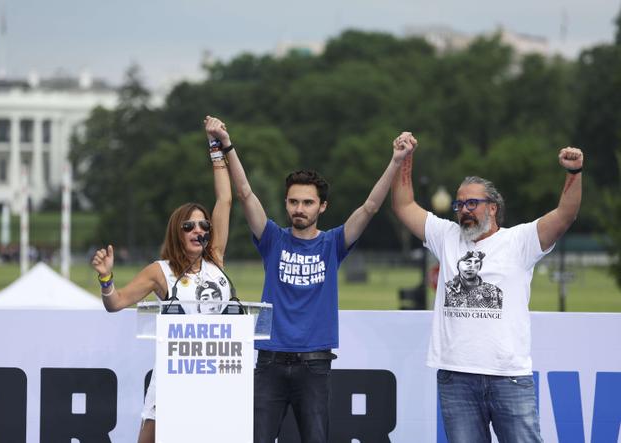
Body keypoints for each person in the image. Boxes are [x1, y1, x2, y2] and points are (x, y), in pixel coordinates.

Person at [202, 115, 405, 442]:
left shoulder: (333, 244)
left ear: (322, 206)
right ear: (285, 203)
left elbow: (369, 208)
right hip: (268, 362)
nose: (300, 208)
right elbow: (244, 192)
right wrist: (225, 144)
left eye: (308, 202)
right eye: (294, 201)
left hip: (315, 366)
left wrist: (395, 162)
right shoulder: (271, 239)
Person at [391, 131, 583, 443]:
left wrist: (573, 173)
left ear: (492, 208)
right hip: (456, 378)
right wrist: (404, 160)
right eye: (460, 203)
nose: (464, 209)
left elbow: (566, 214)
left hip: (509, 378)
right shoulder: (446, 236)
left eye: (473, 203)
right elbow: (403, 206)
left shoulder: (519, 241)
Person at [90, 118, 232, 443]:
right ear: (176, 232)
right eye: (189, 226)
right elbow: (116, 303)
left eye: (203, 225)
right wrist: (106, 279)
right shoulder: (161, 271)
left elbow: (224, 200)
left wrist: (216, 146)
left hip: (217, 374)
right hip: (174, 376)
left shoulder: (216, 259)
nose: (199, 230)